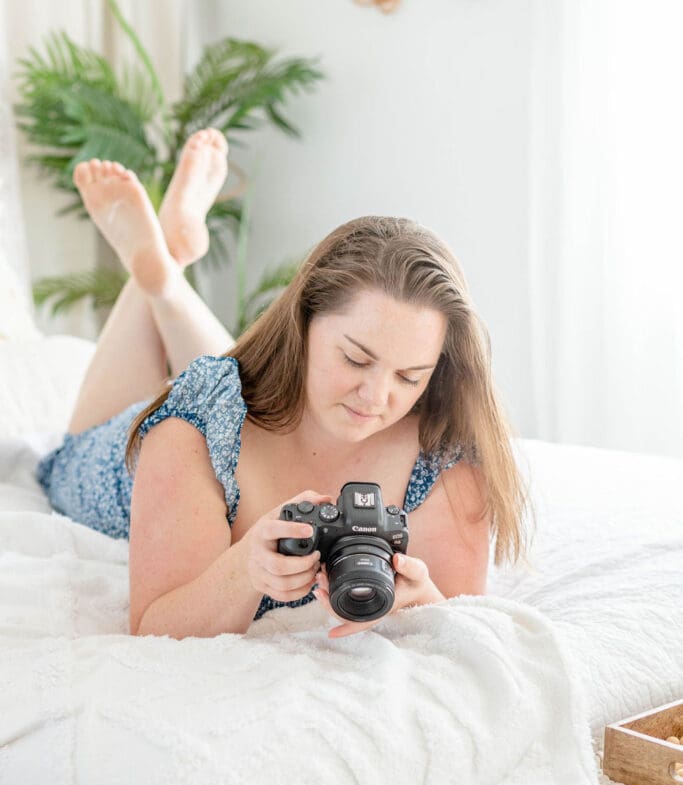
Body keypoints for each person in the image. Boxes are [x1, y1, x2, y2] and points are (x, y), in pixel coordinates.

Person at [37, 128, 532, 640]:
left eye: (410, 376)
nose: (377, 398)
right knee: (82, 450)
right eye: (356, 359)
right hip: (126, 463)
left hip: (248, 397)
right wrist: (242, 569)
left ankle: (165, 268)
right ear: (305, 323)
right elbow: (153, 625)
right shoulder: (195, 424)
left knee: (233, 378)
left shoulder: (447, 451)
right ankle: (159, 275)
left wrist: (419, 603)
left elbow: (459, 613)